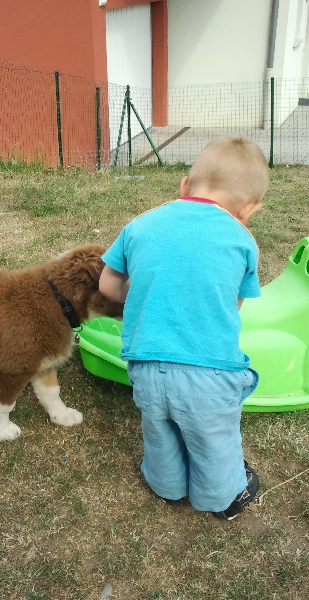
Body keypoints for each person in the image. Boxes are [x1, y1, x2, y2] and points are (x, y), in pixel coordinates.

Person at [99, 136, 270, 520]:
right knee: (214, 440)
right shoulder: (243, 240)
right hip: (209, 373)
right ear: (248, 210)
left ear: (184, 186)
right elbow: (232, 305)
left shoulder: (140, 224)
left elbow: (108, 287)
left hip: (146, 365)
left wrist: (144, 285)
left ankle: (167, 486)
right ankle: (221, 497)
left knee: (158, 429)